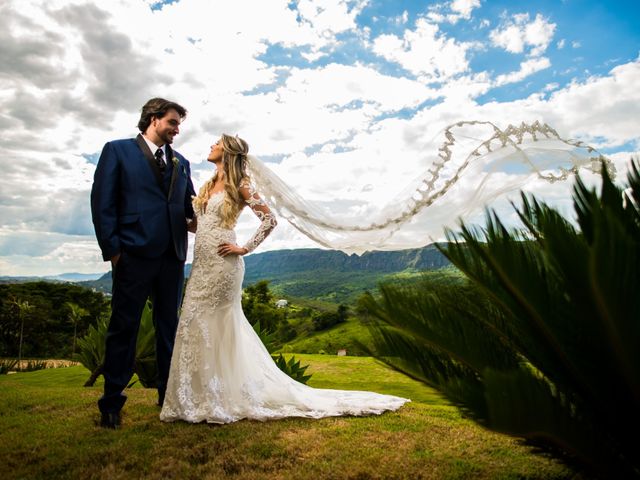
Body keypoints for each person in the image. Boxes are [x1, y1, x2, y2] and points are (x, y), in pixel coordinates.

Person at [160, 134, 409, 423]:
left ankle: (220, 398)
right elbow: (198, 225)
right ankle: (195, 398)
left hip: (223, 267)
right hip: (201, 264)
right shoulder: (207, 184)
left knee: (218, 328)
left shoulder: (240, 185)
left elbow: (269, 220)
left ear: (227, 151)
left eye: (216, 143)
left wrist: (244, 248)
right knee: (193, 323)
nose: (211, 146)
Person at [91, 98, 196, 429]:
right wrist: (114, 252)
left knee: (169, 330)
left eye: (178, 124)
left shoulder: (182, 162)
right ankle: (111, 405)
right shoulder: (117, 151)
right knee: (124, 328)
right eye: (173, 122)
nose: (177, 129)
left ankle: (168, 399)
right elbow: (102, 203)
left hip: (172, 257)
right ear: (153, 119)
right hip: (132, 255)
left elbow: (189, 208)